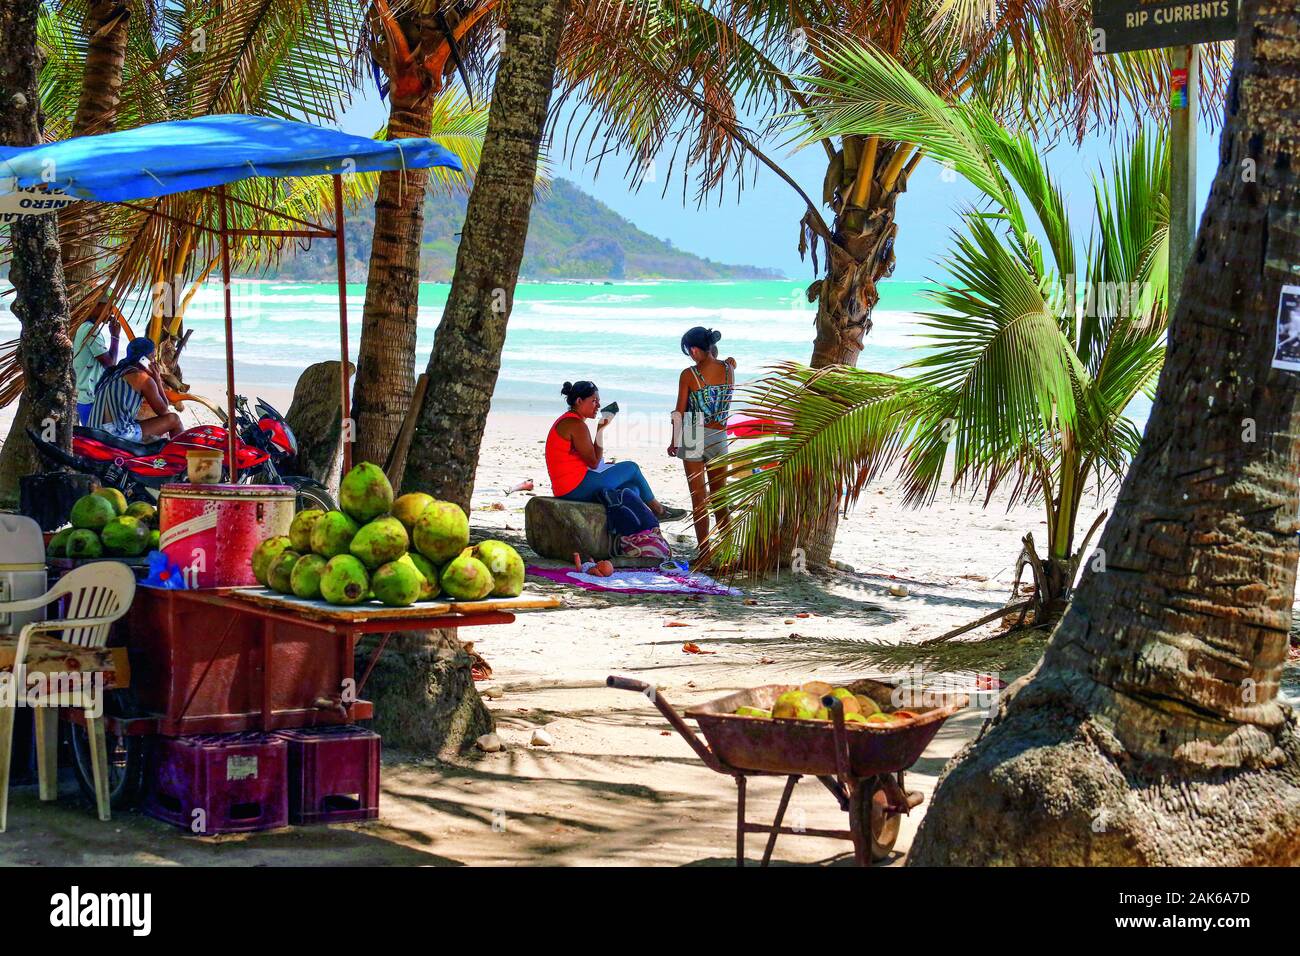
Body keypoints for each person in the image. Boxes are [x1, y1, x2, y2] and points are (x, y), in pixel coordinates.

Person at [545, 380, 686, 519]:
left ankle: (632, 524)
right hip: (574, 488)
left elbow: (592, 461)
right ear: (579, 401)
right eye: (594, 401)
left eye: (598, 401)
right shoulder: (576, 425)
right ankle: (659, 510)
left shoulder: (569, 420)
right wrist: (600, 429)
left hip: (568, 487)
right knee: (632, 468)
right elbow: (594, 463)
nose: (598, 406)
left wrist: (601, 430)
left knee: (632, 489)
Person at [669, 326, 736, 546]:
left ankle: (705, 551)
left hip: (694, 432)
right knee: (720, 499)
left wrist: (673, 441)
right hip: (719, 435)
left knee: (699, 500)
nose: (690, 355)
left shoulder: (688, 374)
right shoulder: (729, 369)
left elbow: (679, 412)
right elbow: (728, 363)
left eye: (689, 350)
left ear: (695, 350)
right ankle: (728, 547)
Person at [90, 337, 182, 441]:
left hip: (93, 431)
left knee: (139, 423)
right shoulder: (142, 378)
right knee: (174, 419)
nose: (154, 362)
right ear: (144, 360)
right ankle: (180, 455)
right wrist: (157, 379)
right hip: (115, 435)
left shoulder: (114, 373)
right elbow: (164, 410)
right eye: (153, 357)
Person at [72, 316, 116, 425]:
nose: (111, 315)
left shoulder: (82, 326)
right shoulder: (90, 330)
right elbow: (110, 364)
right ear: (99, 305)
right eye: (109, 308)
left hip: (84, 395)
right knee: (94, 438)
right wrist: (115, 336)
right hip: (90, 397)